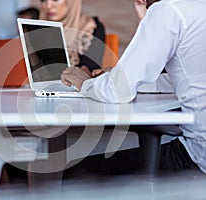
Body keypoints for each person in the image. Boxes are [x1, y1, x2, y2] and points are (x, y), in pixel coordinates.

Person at [61, 0, 206, 175]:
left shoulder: (169, 10)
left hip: (197, 157)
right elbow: (188, 79)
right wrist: (119, 77)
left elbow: (115, 92)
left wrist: (84, 82)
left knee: (75, 172)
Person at [39, 0, 106, 76]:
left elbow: (91, 70)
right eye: (43, 0)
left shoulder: (90, 28)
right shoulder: (36, 29)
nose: (48, 6)